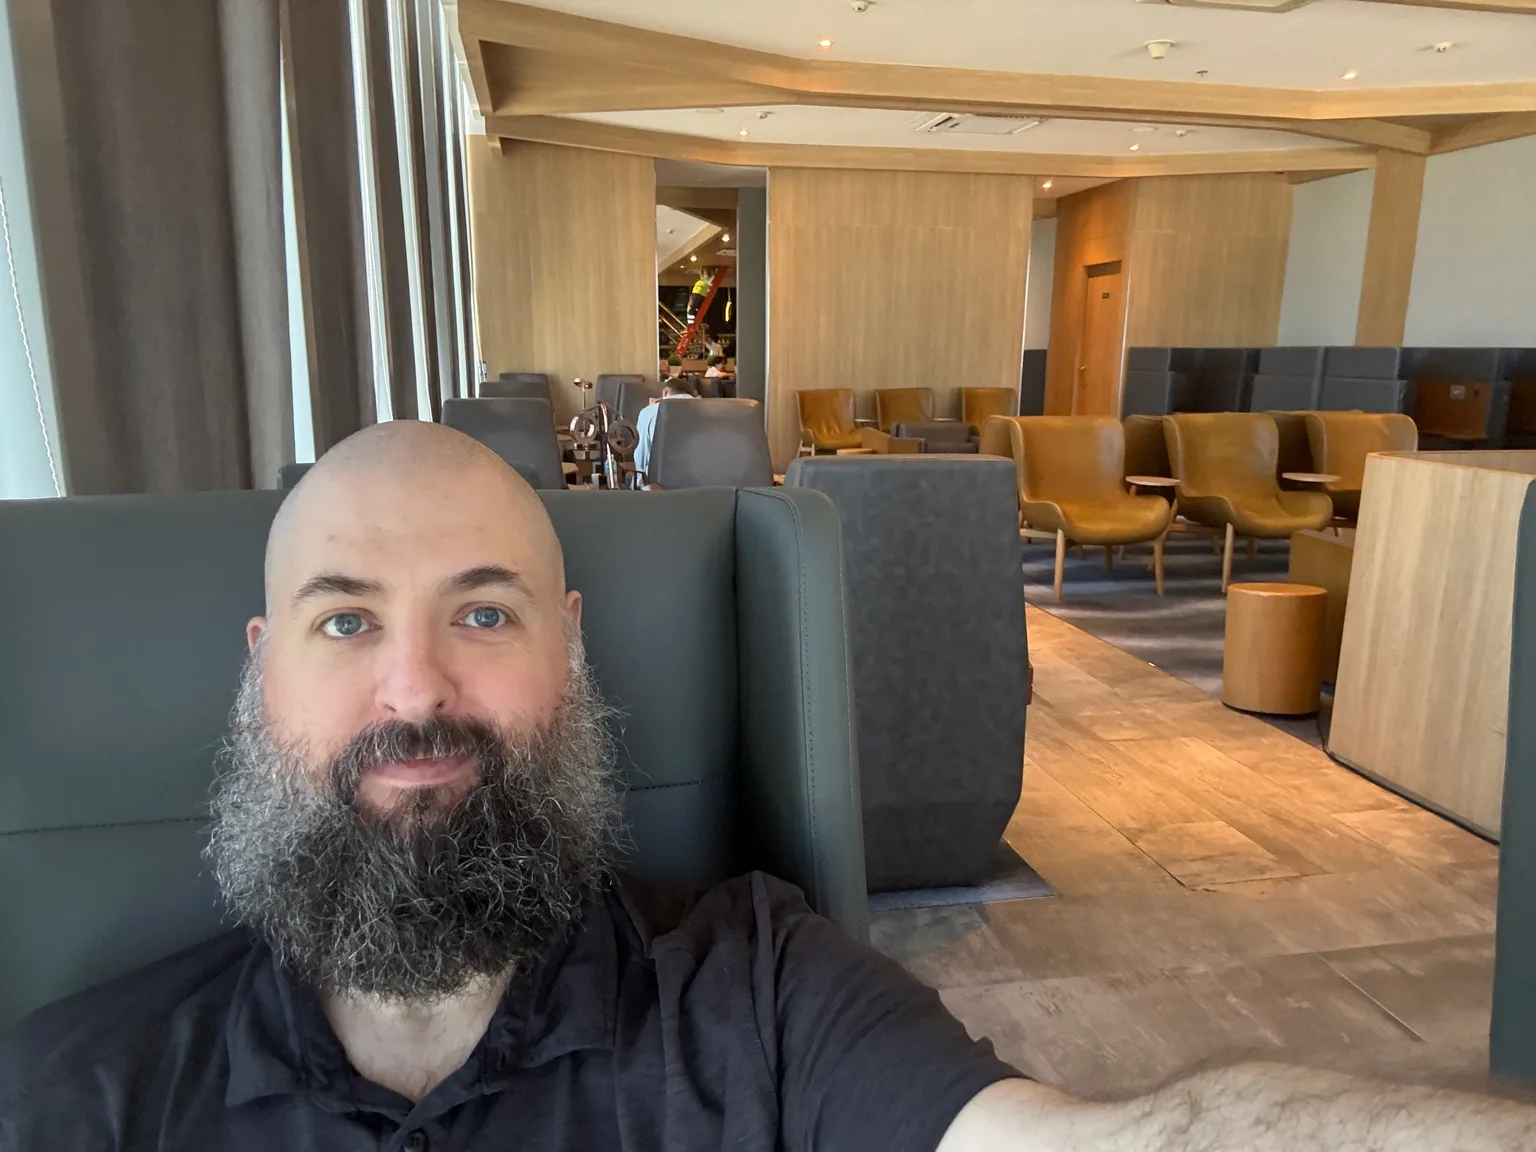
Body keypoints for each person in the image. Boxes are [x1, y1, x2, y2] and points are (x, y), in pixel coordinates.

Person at [0, 422, 1531, 1152]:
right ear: (261, 672)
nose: (415, 692)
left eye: (484, 615)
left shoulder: (763, 1000)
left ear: (571, 653)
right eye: (346, 623)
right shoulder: (69, 1093)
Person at [631, 376, 694, 480]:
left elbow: (641, 455)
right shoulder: (705, 410)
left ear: (665, 392)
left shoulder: (650, 411)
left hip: (659, 481)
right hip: (700, 480)